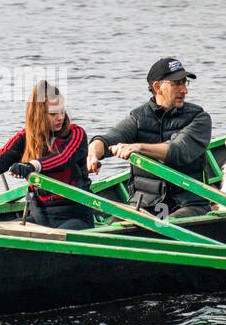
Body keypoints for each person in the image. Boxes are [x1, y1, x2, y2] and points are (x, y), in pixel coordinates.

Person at [86, 57, 212, 218]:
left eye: (184, 83)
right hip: (145, 204)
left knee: (169, 226)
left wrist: (138, 147)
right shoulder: (138, 118)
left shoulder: (199, 118)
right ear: (158, 87)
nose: (184, 90)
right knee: (115, 225)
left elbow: (178, 150)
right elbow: (108, 139)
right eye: (177, 84)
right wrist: (93, 153)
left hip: (189, 204)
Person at [0, 81, 93, 231]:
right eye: (53, 113)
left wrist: (31, 166)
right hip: (39, 215)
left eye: (62, 111)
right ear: (38, 115)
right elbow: (4, 157)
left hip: (75, 214)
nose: (60, 117)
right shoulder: (27, 137)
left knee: (55, 237)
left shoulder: (76, 134)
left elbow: (62, 158)